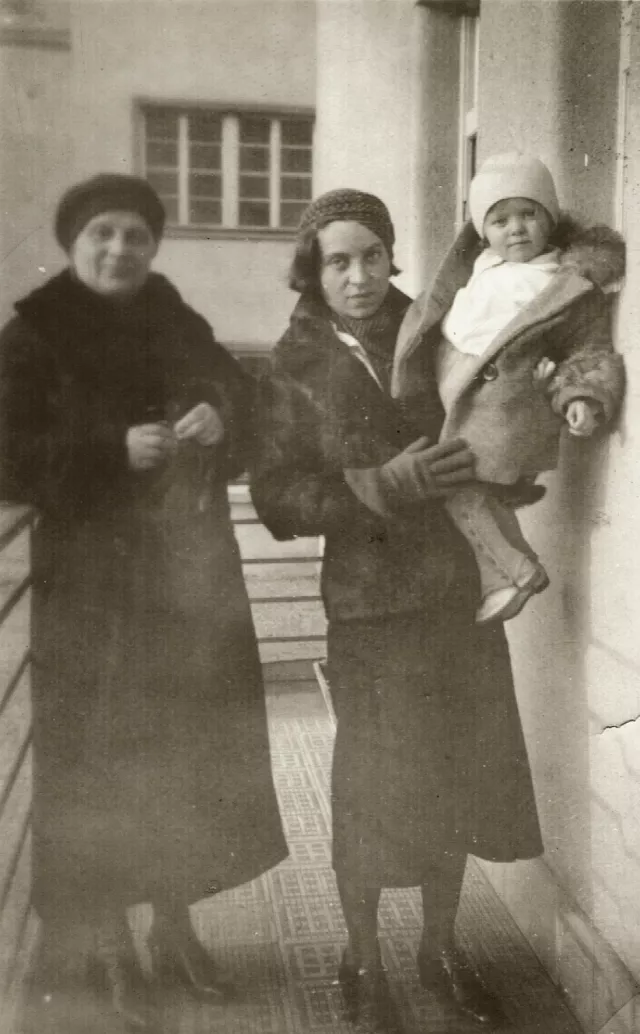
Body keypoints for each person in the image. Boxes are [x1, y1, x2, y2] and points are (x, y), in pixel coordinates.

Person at [250, 188, 543, 1032]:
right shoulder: (290, 364)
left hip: (459, 593)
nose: (358, 276)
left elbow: (490, 419)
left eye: (371, 256)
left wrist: (512, 463)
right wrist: (378, 486)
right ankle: (362, 958)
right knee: (373, 786)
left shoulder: (440, 332)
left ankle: (439, 950)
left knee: (455, 770)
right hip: (371, 606)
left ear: (391, 258)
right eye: (338, 261)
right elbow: (274, 497)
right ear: (314, 268)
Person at [0, 174, 288, 1034]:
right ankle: (111, 946)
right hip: (91, 590)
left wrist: (215, 414)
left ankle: (176, 927)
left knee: (186, 751)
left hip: (185, 582)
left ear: (153, 246)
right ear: (72, 241)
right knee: (102, 760)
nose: (120, 250)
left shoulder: (173, 316)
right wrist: (104, 448)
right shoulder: (34, 332)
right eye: (102, 235)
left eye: (134, 236)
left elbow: (249, 399)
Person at [392, 153, 625, 623]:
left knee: (459, 490)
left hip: (506, 407)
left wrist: (581, 396)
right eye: (499, 220)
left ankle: (513, 573)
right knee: (470, 495)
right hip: (465, 407)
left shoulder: (561, 282)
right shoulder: (480, 271)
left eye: (528, 214)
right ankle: (505, 574)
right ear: (483, 231)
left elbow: (587, 348)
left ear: (550, 218)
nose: (516, 228)